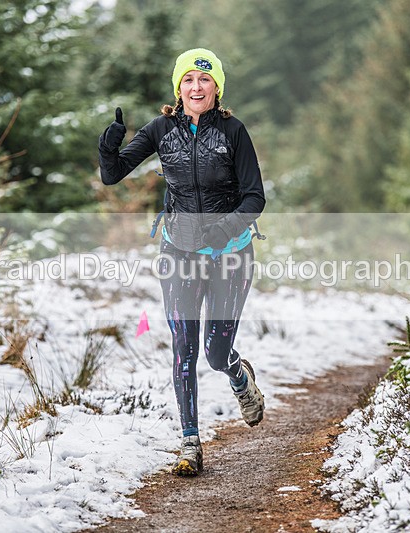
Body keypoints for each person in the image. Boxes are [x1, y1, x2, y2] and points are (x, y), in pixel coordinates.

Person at [97, 48, 266, 476]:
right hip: (178, 252)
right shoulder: (160, 129)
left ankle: (239, 376)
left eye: (204, 80)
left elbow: (254, 198)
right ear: (179, 87)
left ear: (216, 88)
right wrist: (108, 149)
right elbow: (113, 174)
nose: (196, 87)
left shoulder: (233, 131)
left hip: (229, 255)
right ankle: (190, 444)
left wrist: (221, 230)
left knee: (215, 352)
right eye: (188, 80)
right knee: (183, 350)